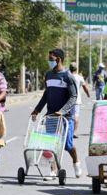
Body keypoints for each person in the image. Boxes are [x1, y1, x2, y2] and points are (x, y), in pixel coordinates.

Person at [31, 49, 82, 178]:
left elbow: (73, 97)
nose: (49, 62)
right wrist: (37, 109)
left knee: (67, 145)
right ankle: (53, 170)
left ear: (58, 59)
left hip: (66, 117)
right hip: (51, 116)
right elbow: (46, 94)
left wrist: (63, 111)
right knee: (51, 143)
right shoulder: (48, 75)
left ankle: (76, 162)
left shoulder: (67, 76)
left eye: (51, 59)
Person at [69, 62, 90, 138]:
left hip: (67, 100)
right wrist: (88, 94)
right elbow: (85, 87)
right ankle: (74, 132)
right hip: (76, 100)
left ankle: (68, 131)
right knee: (76, 116)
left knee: (68, 116)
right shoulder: (79, 77)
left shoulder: (67, 76)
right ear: (76, 69)